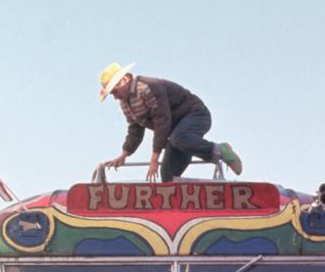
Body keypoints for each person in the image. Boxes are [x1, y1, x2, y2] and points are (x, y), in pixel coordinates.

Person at [98, 63, 242, 183]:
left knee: (179, 139)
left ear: (123, 80)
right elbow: (135, 129)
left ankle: (221, 150)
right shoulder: (125, 103)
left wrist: (154, 158)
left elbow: (162, 121)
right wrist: (124, 154)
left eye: (114, 91)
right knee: (167, 176)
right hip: (175, 133)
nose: (115, 97)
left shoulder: (147, 87)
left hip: (195, 115)